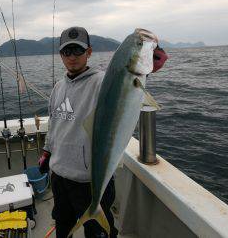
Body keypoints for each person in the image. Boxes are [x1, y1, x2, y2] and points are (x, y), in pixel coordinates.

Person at [39, 26, 167, 238]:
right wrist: (47, 151)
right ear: (60, 55)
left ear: (89, 52)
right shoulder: (58, 87)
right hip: (59, 176)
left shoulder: (102, 81)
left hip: (90, 180)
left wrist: (152, 53)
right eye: (66, 51)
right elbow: (54, 123)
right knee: (63, 227)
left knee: (98, 234)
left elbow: (126, 79)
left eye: (78, 51)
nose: (72, 57)